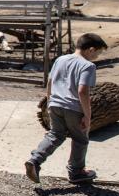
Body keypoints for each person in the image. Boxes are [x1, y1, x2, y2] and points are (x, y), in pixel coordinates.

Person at [25, 33, 108, 185]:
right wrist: (87, 116)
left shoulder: (60, 59)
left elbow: (50, 82)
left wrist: (50, 103)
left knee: (55, 135)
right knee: (80, 139)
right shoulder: (88, 66)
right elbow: (83, 91)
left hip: (55, 104)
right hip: (73, 108)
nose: (96, 57)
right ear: (90, 49)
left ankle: (35, 160)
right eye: (98, 53)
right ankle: (76, 172)